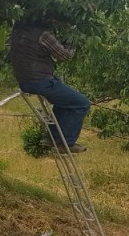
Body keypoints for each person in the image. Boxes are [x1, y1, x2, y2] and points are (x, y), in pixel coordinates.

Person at [10, 19, 91, 153]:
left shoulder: (18, 27)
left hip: (24, 79)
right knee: (81, 103)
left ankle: (53, 137)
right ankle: (66, 143)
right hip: (40, 81)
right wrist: (73, 37)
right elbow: (65, 56)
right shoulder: (44, 34)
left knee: (64, 102)